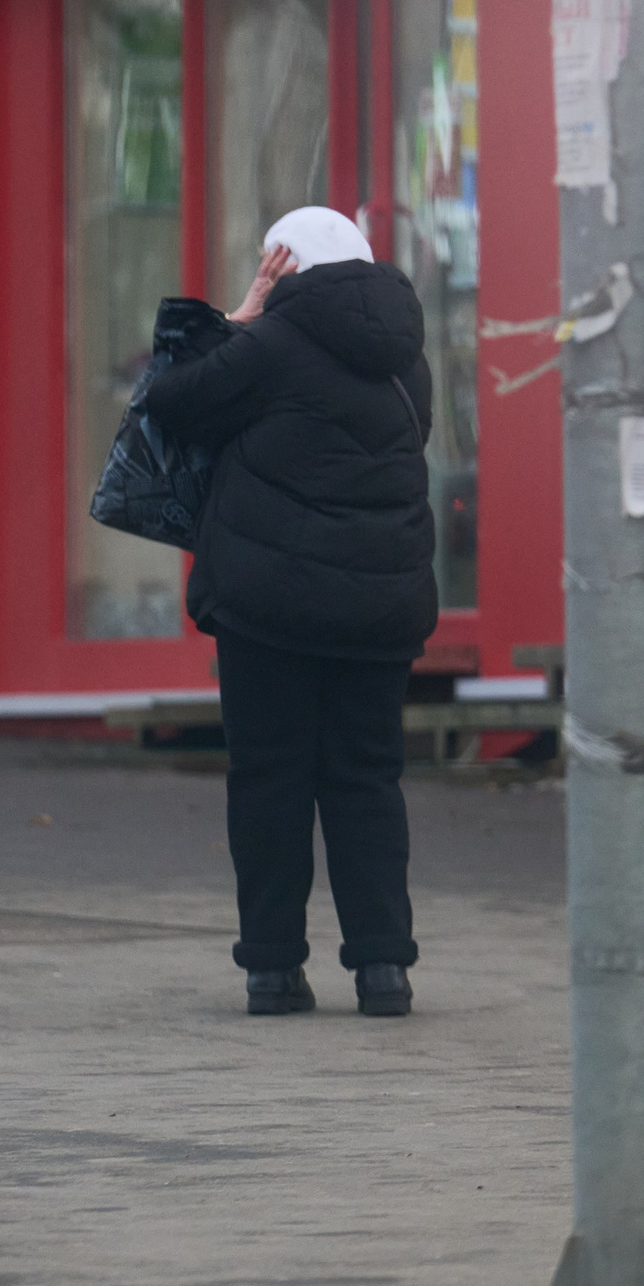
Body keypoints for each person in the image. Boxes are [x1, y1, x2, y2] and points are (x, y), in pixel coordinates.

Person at [142, 207, 439, 1018]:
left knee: (271, 779)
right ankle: (383, 968)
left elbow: (170, 401)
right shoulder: (406, 359)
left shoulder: (269, 345)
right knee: (368, 780)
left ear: (283, 267)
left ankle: (273, 969)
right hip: (380, 606)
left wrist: (236, 319)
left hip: (270, 607)